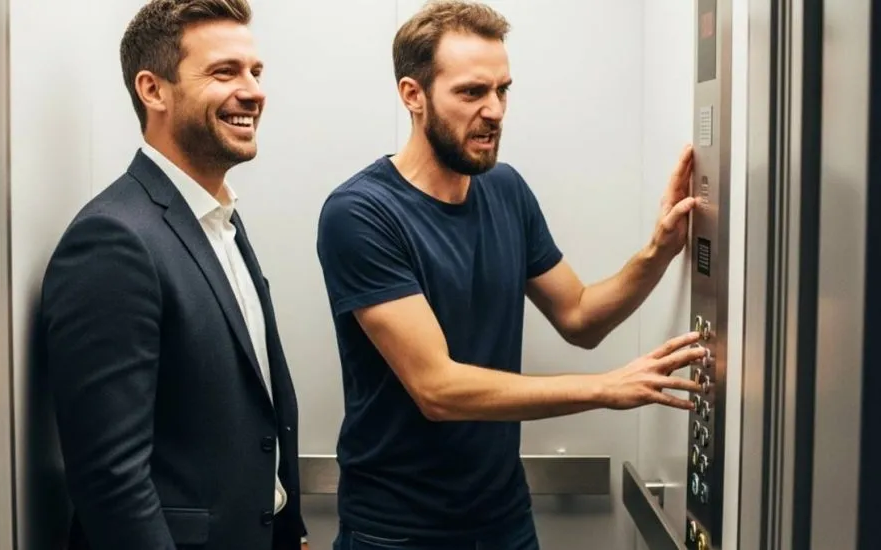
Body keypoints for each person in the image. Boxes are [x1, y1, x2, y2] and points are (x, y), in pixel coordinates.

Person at [315, 1, 707, 548]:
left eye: (502, 90)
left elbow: (579, 317)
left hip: (504, 521)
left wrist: (659, 251)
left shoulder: (506, 189)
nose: (495, 110)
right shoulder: (360, 214)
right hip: (398, 532)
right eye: (472, 93)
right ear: (413, 95)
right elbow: (438, 389)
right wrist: (607, 389)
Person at [40, 1, 308, 549]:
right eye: (224, 72)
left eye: (255, 72)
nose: (253, 91)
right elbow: (111, 481)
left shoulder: (218, 220)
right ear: (153, 89)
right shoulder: (113, 240)